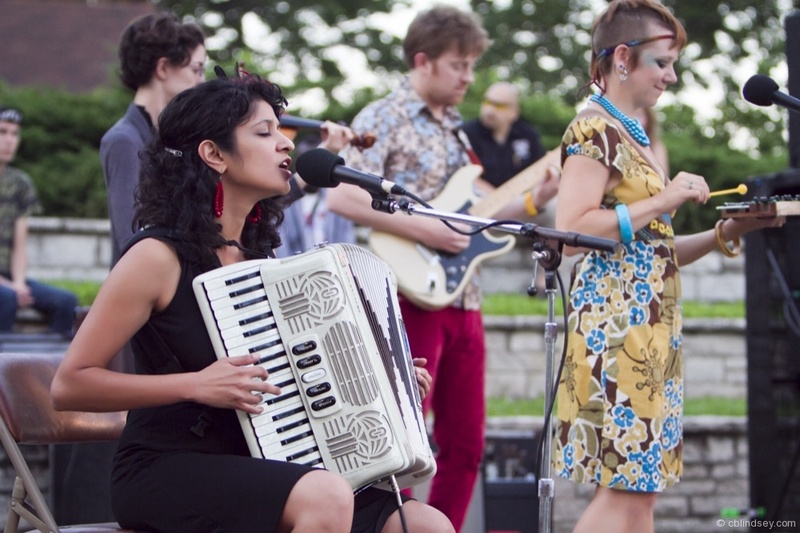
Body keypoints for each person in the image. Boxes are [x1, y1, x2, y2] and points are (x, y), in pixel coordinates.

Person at [50, 72, 454, 533]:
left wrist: (387, 384)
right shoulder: (155, 256)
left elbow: (292, 381)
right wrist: (194, 385)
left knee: (426, 524)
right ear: (214, 154)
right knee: (325, 497)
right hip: (166, 467)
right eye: (264, 132)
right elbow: (70, 386)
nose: (285, 145)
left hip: (263, 459)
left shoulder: (262, 258)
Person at [551, 2, 785, 532]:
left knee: (641, 498)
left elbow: (653, 249)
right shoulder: (593, 129)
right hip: (616, 332)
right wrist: (664, 199)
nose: (672, 76)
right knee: (624, 497)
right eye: (663, 62)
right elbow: (570, 230)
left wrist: (730, 231)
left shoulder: (629, 133)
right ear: (624, 58)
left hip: (647, 332)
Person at [326, 6, 494, 530]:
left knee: (467, 444)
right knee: (401, 441)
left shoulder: (455, 127)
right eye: (458, 65)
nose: (469, 77)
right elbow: (344, 199)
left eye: (471, 66)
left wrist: (537, 198)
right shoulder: (382, 117)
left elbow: (474, 214)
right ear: (422, 61)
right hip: (404, 296)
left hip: (463, 297)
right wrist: (425, 230)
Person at [101, 12, 207, 265]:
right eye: (196, 69)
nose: (201, 80)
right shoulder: (124, 140)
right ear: (162, 68)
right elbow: (131, 237)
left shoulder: (167, 137)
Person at [0, 106, 78, 338]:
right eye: (3, 132)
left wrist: (19, 283)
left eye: (15, 134)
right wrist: (9, 288)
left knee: (66, 302)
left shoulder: (20, 183)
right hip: (4, 288)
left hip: (9, 278)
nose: (10, 140)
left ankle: (48, 369)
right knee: (6, 299)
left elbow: (19, 245)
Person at [462, 81, 560, 218]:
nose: (490, 110)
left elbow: (538, 172)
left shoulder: (527, 135)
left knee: (554, 208)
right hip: (480, 206)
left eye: (499, 105)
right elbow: (465, 177)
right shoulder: (467, 133)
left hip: (523, 203)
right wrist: (500, 201)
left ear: (514, 112)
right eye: (487, 102)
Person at [275, 133, 356, 258]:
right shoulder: (284, 201)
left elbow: (348, 243)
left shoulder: (337, 201)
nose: (312, 169)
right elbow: (281, 248)